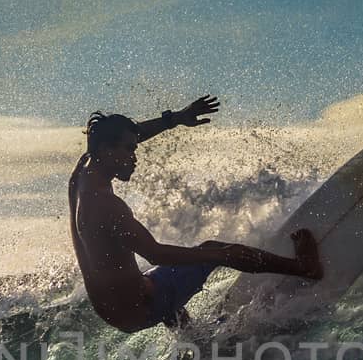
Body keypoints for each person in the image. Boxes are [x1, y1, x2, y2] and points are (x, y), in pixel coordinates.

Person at [67, 95, 322, 332]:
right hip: (142, 308)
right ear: (104, 150)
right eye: (129, 150)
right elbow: (155, 254)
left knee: (159, 281)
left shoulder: (82, 174)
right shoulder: (106, 206)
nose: (135, 158)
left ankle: (194, 342)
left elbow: (132, 134)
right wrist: (217, 255)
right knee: (214, 250)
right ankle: (304, 267)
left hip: (113, 309)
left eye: (134, 147)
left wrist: (175, 119)